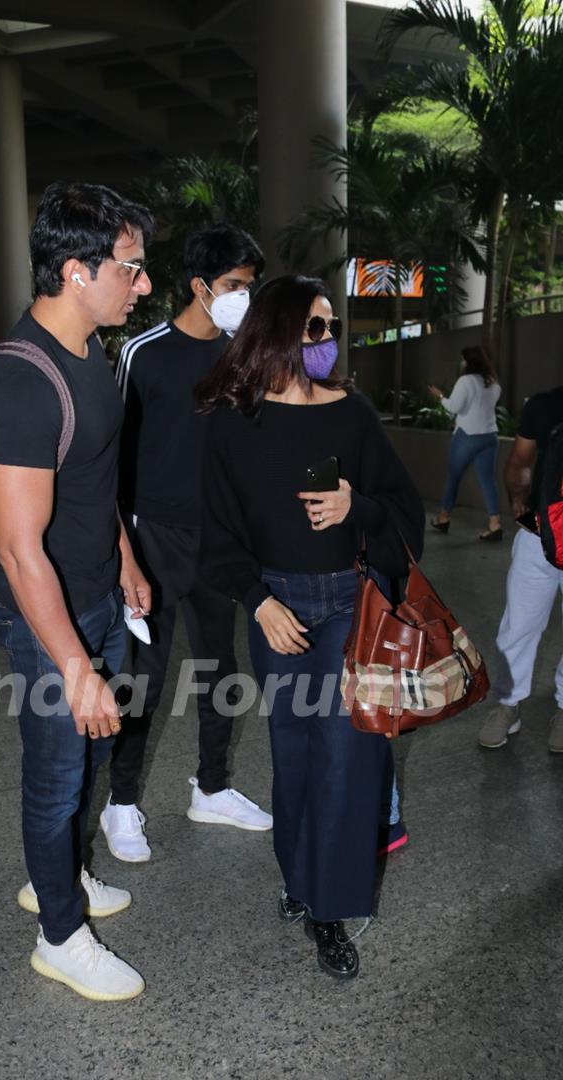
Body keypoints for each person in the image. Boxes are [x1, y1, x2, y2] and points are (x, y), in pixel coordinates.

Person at [196, 274, 424, 980]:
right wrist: (259, 602)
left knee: (346, 755)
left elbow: (403, 511)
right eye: (317, 328)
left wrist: (356, 504)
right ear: (281, 332)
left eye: (331, 329)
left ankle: (331, 908)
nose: (328, 341)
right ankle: (298, 879)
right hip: (280, 611)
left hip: (349, 607)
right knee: (293, 751)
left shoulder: (351, 415)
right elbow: (215, 532)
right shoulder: (233, 423)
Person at [0, 181, 154, 1002]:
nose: (142, 284)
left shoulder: (92, 355)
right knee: (55, 776)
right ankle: (57, 932)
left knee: (91, 752)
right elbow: (17, 548)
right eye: (131, 268)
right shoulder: (19, 382)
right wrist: (72, 663)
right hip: (50, 619)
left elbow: (92, 483)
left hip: (98, 597)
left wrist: (125, 559)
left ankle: (65, 873)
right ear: (77, 271)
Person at [102, 224, 271, 863]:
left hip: (220, 536)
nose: (242, 300)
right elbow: (110, 461)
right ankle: (122, 803)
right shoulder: (142, 352)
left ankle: (214, 787)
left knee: (219, 669)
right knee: (143, 676)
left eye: (248, 289)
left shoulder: (241, 352)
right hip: (153, 534)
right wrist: (121, 555)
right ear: (200, 285)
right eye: (233, 287)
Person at [478, 383, 563, 751]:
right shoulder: (545, 404)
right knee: (520, 623)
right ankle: (513, 705)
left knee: (519, 625)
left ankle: (508, 706)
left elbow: (519, 464)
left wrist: (519, 503)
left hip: (538, 530)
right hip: (540, 534)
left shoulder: (545, 403)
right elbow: (519, 465)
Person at [429, 345, 502, 541]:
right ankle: (495, 523)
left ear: (467, 362)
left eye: (462, 359)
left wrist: (440, 397)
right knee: (488, 481)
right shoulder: (492, 382)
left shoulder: (465, 381)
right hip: (490, 436)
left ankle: (444, 517)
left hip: (468, 436)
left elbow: (454, 408)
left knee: (454, 477)